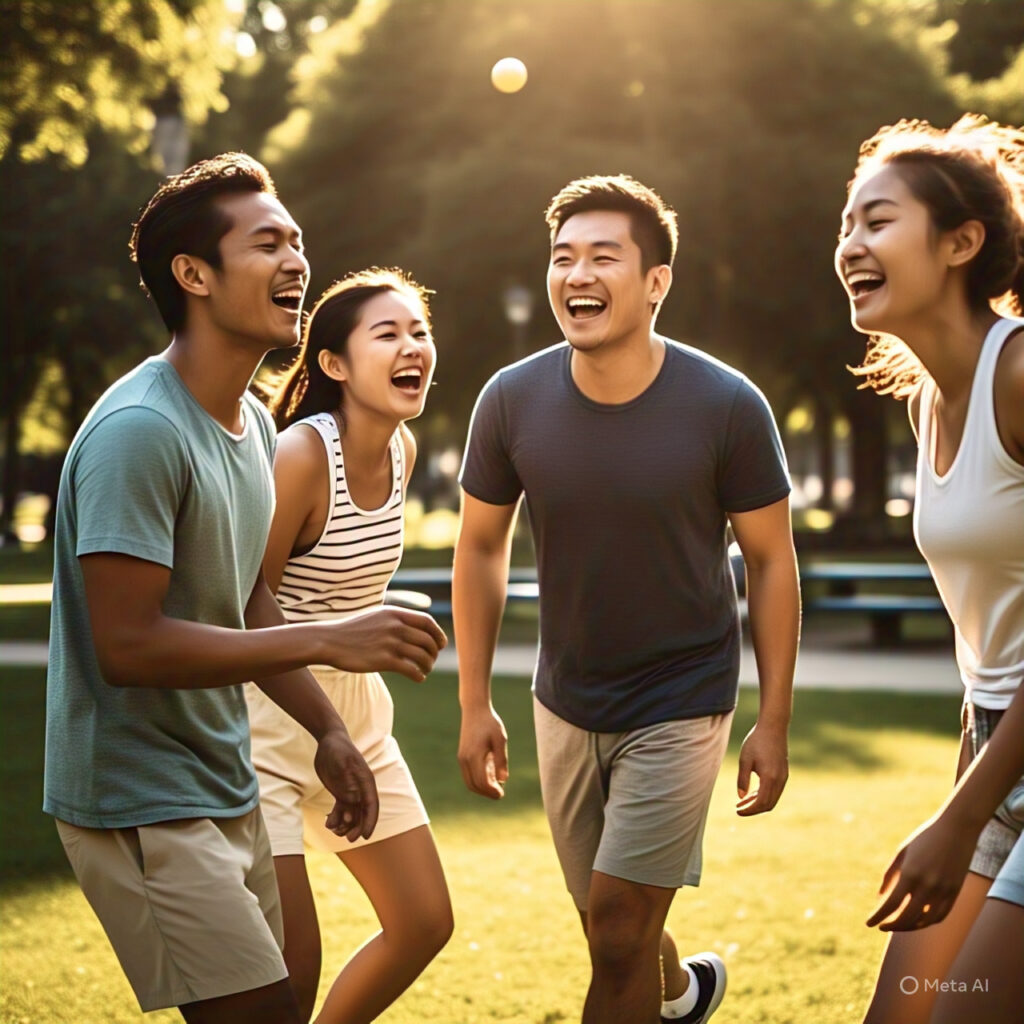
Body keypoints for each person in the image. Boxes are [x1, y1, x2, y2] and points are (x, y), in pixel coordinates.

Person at [42, 155, 446, 1024]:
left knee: (283, 1005)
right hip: (140, 797)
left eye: (297, 240)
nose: (298, 260)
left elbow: (243, 598)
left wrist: (330, 728)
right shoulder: (141, 431)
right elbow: (129, 644)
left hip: (216, 773)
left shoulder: (250, 422)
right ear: (193, 274)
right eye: (268, 243)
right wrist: (330, 639)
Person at [454, 174, 800, 1024]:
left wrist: (776, 719)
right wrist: (473, 702)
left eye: (604, 256)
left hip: (682, 697)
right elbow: (479, 545)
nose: (578, 274)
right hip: (565, 698)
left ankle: (661, 987)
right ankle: (681, 994)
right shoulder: (509, 400)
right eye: (563, 257)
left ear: (656, 282)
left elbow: (770, 561)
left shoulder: (727, 405)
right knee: (609, 929)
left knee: (614, 930)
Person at [835, 115, 1024, 1024]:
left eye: (877, 221)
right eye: (847, 226)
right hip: (997, 750)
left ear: (961, 241)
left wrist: (960, 819)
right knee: (900, 1015)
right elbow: (984, 645)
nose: (850, 246)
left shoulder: (1020, 376)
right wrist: (966, 794)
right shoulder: (926, 404)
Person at [252, 268, 453, 1023]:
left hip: (357, 720)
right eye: (389, 333)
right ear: (333, 363)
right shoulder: (301, 455)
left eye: (420, 332)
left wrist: (377, 617)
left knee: (423, 922)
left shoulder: (399, 448)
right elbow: (245, 600)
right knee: (288, 973)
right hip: (264, 720)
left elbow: (332, 585)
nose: (413, 348)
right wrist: (339, 640)